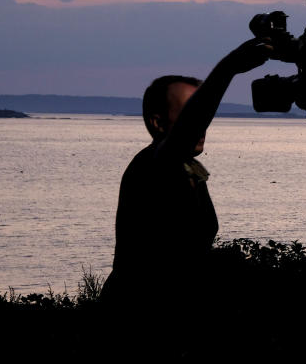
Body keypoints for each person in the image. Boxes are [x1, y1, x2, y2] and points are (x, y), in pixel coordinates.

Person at [100, 38, 272, 308]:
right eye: (191, 114)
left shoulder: (189, 171)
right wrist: (228, 68)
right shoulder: (151, 165)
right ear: (157, 123)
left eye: (203, 115)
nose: (203, 124)